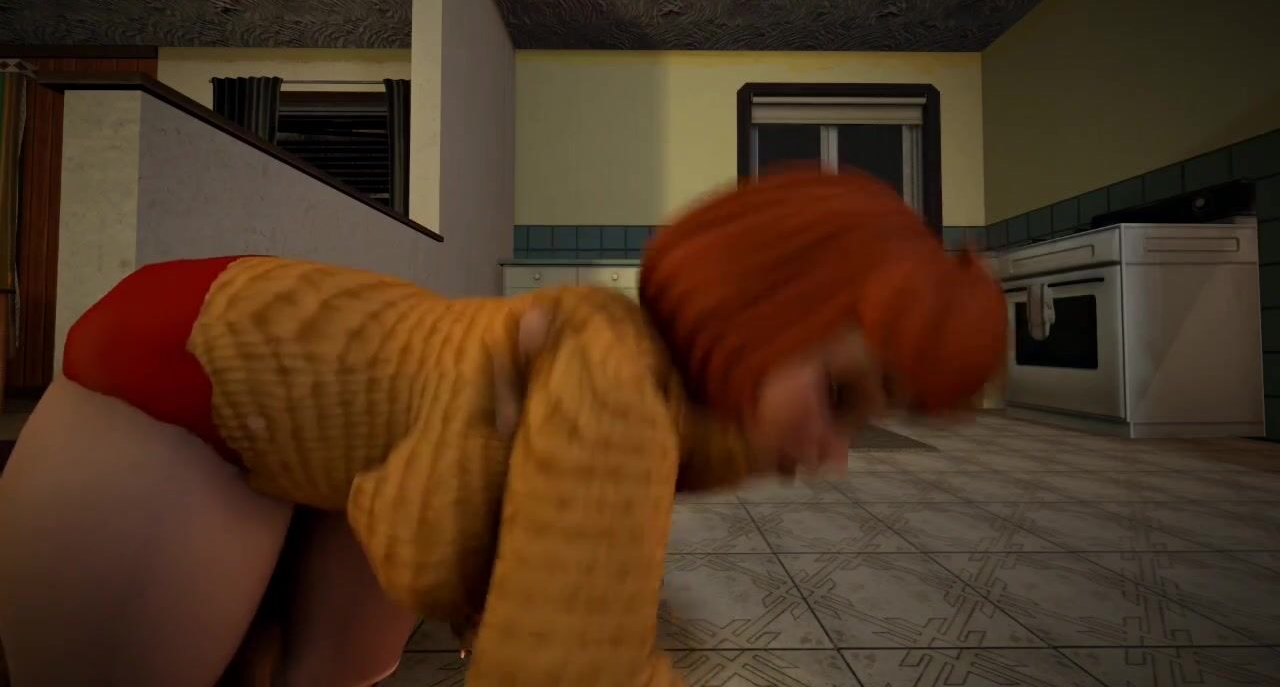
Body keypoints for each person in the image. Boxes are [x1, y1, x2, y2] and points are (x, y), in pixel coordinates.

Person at [0, 167, 1005, 686]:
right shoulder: (612, 382)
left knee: (340, 669)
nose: (832, 458)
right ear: (763, 309)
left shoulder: (651, 391)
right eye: (840, 398)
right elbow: (564, 668)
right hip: (194, 362)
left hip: (369, 431)